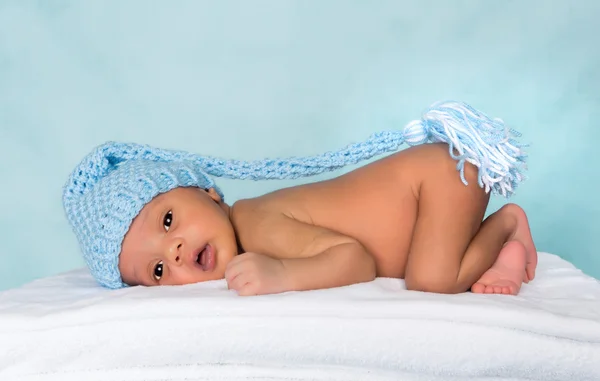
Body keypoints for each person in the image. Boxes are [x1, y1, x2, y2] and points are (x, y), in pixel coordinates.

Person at [62, 101, 537, 296]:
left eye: (168, 222)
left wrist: (283, 274)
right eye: (159, 270)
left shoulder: (257, 223)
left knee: (431, 282)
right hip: (429, 197)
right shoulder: (246, 233)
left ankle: (508, 225)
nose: (176, 250)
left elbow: (355, 259)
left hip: (439, 177)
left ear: (208, 192)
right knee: (432, 260)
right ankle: (501, 249)